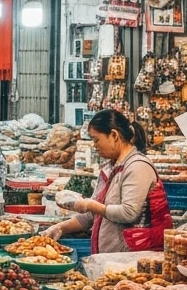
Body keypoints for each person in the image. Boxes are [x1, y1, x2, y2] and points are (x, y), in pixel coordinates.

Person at [42, 109, 172, 254]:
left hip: (131, 258)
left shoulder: (137, 166)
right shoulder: (111, 168)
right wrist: (60, 227)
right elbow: (91, 215)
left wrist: (91, 205)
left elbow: (129, 213)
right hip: (110, 257)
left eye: (96, 139)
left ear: (114, 135)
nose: (95, 145)